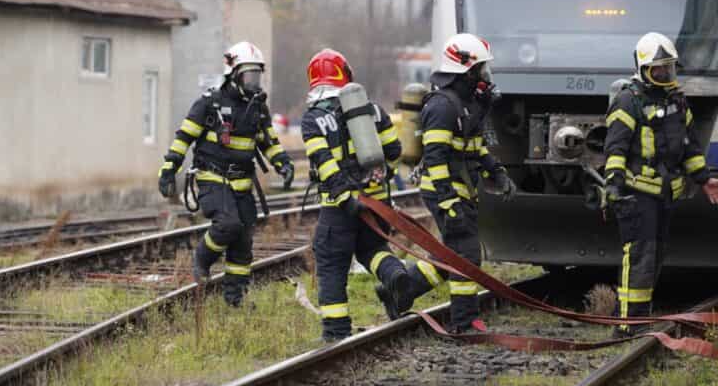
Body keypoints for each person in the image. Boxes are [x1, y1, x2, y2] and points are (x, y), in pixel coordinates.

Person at [301, 48, 440, 342]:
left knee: (331, 264)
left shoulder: (313, 119)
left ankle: (335, 332)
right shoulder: (373, 110)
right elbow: (393, 152)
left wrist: (345, 197)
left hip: (339, 209)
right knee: (373, 250)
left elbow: (324, 164)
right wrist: (379, 178)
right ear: (346, 75)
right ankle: (395, 277)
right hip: (376, 205)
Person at [604, 32, 718, 333]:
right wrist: (614, 187)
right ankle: (629, 323)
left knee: (655, 256)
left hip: (663, 195)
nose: (664, 73)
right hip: (637, 195)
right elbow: (615, 149)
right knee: (639, 257)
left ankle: (640, 316)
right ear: (644, 69)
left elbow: (689, 147)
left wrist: (704, 178)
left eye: (668, 67)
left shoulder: (676, 101)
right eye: (658, 69)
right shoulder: (628, 102)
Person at [158, 42, 295, 306]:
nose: (254, 82)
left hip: (242, 182)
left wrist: (283, 164)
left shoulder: (258, 107)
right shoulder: (209, 103)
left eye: (258, 75)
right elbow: (184, 137)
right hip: (212, 178)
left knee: (242, 242)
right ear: (233, 73)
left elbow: (269, 142)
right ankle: (201, 258)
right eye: (249, 75)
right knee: (228, 225)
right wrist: (168, 169)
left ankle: (235, 299)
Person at [419, 33, 516, 333]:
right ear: (466, 70)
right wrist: (448, 203)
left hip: (461, 188)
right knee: (467, 253)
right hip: (444, 190)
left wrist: (497, 172)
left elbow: (475, 148)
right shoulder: (442, 106)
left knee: (454, 252)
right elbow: (434, 159)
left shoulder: (466, 104)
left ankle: (402, 286)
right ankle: (464, 322)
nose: (485, 77)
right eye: (481, 70)